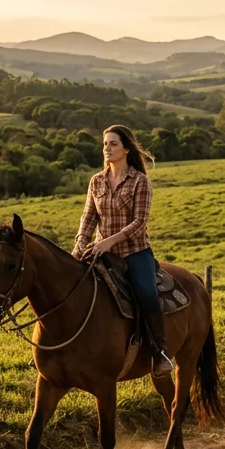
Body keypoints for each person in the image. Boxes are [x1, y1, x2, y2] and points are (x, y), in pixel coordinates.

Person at [72, 124, 174, 377]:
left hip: (134, 252)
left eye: (113, 143)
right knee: (71, 286)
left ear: (126, 148)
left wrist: (109, 241)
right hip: (100, 251)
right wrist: (79, 244)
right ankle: (60, 349)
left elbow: (139, 222)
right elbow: (88, 217)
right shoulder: (96, 181)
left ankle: (159, 352)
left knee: (147, 294)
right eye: (105, 143)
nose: (107, 148)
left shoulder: (140, 181)